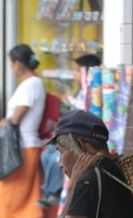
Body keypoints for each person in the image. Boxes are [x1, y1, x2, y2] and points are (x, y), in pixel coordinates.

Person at [0, 44, 45, 218]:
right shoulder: (32, 84)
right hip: (22, 146)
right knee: (17, 194)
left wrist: (5, 122)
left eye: (12, 63)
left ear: (17, 63)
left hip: (21, 147)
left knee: (6, 192)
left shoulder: (31, 84)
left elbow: (18, 116)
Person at [38, 53, 101, 209]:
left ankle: (53, 192)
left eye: (77, 70)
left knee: (55, 158)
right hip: (70, 134)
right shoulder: (81, 90)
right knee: (48, 154)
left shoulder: (93, 91)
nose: (75, 74)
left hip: (80, 136)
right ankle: (49, 191)